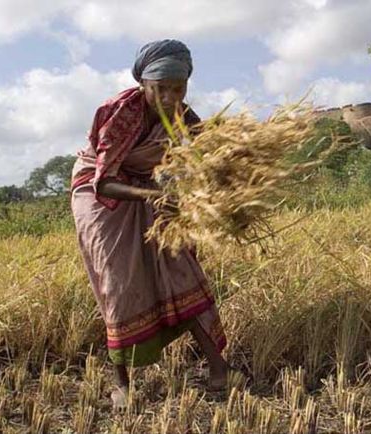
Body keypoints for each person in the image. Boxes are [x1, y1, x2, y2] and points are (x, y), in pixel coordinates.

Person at [70, 39, 229, 409]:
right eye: (162, 89)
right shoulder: (122, 114)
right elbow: (103, 181)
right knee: (119, 283)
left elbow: (206, 157)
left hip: (150, 191)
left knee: (182, 269)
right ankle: (121, 384)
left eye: (179, 88)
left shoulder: (185, 119)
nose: (172, 97)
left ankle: (220, 369)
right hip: (102, 199)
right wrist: (153, 197)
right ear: (144, 84)